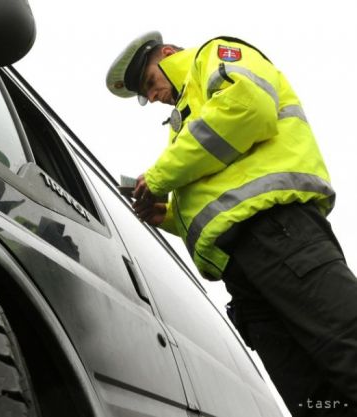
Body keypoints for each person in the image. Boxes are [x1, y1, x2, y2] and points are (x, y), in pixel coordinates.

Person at [106, 31, 357, 416]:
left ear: (169, 55)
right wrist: (170, 216)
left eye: (150, 84)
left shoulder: (214, 56)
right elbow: (223, 192)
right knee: (313, 398)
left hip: (278, 232)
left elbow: (248, 109)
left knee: (346, 350)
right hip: (244, 266)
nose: (153, 97)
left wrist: (157, 178)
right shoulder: (185, 119)